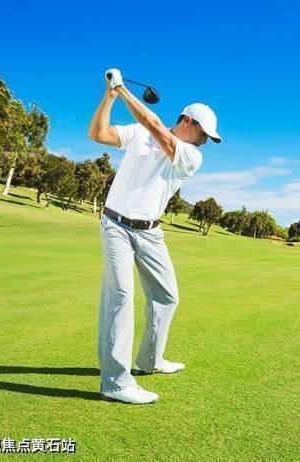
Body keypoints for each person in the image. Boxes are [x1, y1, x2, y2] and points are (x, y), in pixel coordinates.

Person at [87, 68, 221, 404]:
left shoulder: (191, 156)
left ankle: (150, 360)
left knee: (167, 296)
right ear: (188, 121)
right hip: (116, 226)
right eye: (204, 133)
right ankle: (115, 383)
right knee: (120, 296)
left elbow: (157, 128)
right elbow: (98, 133)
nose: (205, 141)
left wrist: (122, 88)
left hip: (150, 233)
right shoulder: (139, 134)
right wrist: (110, 96)